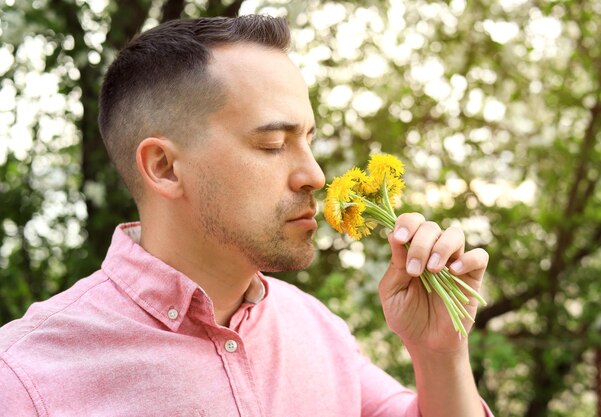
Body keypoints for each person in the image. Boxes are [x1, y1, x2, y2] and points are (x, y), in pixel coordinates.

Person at [0, 15, 493, 416]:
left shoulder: (317, 329)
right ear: (165, 167)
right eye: (273, 144)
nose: (316, 176)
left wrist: (438, 352)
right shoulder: (24, 379)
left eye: (309, 141)